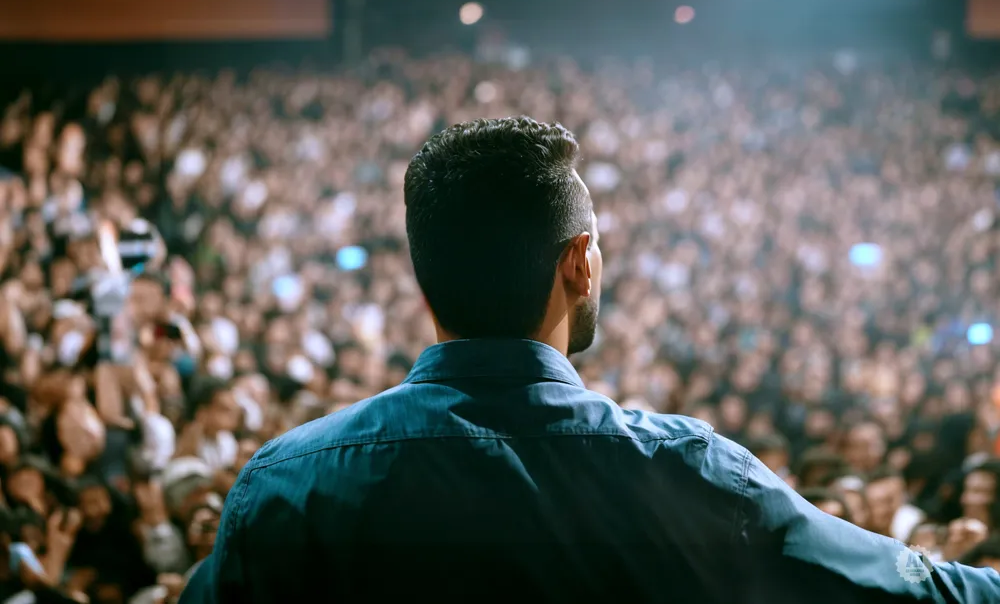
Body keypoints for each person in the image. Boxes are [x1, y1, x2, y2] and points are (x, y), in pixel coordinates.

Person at [180, 116, 1000, 603]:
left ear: (426, 280)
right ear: (579, 264)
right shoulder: (689, 473)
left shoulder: (287, 488)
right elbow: (907, 589)